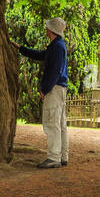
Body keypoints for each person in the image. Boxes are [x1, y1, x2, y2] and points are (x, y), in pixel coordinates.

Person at [15, 17, 69, 168]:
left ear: (51, 30)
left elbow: (55, 71)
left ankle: (53, 158)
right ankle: (62, 156)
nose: (45, 29)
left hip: (54, 88)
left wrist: (45, 89)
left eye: (47, 27)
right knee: (60, 123)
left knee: (52, 123)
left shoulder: (57, 47)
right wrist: (20, 48)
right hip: (59, 88)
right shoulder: (56, 45)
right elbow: (40, 55)